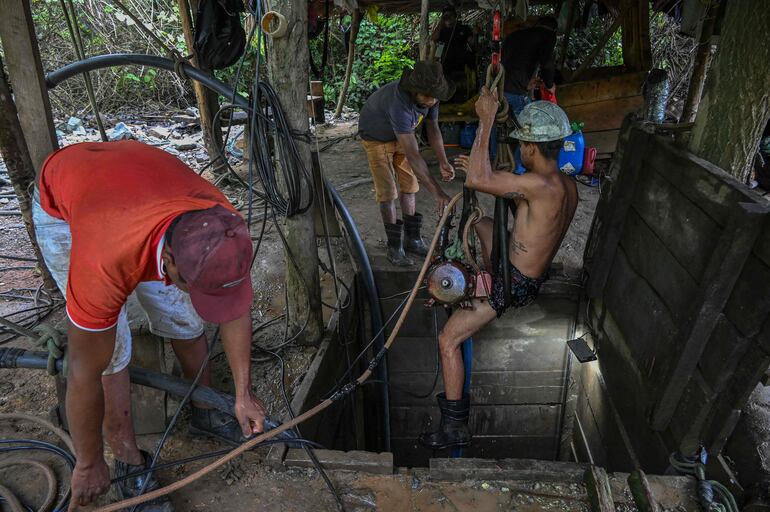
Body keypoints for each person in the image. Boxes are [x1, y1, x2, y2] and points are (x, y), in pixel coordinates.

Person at [32, 140, 266, 510]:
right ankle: (127, 461)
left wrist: (243, 395)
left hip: (134, 184)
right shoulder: (105, 258)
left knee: (186, 320)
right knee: (113, 352)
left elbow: (233, 310)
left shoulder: (222, 225)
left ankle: (204, 410)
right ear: (170, 261)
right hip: (68, 206)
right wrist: (89, 463)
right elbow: (83, 370)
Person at [418, 87, 578, 450]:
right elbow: (516, 204)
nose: (521, 150)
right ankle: (473, 272)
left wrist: (487, 119)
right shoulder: (566, 186)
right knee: (482, 222)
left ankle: (454, 428)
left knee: (448, 341)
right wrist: (490, 178)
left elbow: (477, 180)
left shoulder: (536, 186)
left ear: (532, 148)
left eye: (523, 145)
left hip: (511, 283)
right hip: (526, 273)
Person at [358, 61, 456, 266]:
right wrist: (437, 191)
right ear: (414, 92)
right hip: (376, 138)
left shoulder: (432, 99)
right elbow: (413, 155)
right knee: (388, 192)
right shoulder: (399, 104)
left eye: (434, 96)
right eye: (426, 96)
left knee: (410, 186)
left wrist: (443, 161)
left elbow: (433, 128)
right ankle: (395, 247)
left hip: (401, 135)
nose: (431, 101)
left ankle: (412, 239)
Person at [501, 16, 558, 117]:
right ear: (554, 30)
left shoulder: (513, 36)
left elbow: (508, 64)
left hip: (499, 89)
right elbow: (546, 63)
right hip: (515, 93)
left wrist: (526, 84)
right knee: (526, 126)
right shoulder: (548, 35)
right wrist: (549, 85)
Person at [432, 7, 476, 98]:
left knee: (470, 70)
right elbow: (434, 39)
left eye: (450, 16)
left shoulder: (463, 28)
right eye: (446, 16)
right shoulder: (442, 31)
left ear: (455, 17)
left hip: (462, 60)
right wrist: (441, 22)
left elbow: (472, 42)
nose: (448, 18)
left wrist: (475, 34)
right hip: (447, 61)